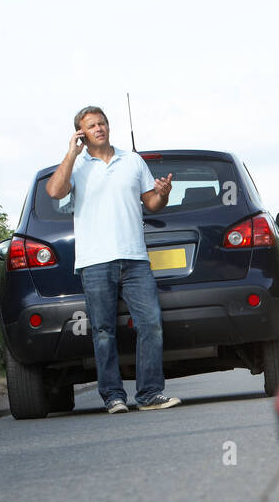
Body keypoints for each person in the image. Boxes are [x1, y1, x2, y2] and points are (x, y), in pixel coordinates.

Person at [46, 105, 182, 414]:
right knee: (103, 330)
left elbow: (153, 203)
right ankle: (113, 397)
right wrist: (71, 152)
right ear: (81, 132)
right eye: (91, 125)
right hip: (95, 261)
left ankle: (149, 394)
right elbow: (54, 191)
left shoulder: (132, 161)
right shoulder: (76, 166)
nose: (99, 128)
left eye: (102, 123)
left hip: (134, 258)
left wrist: (164, 192)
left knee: (151, 324)